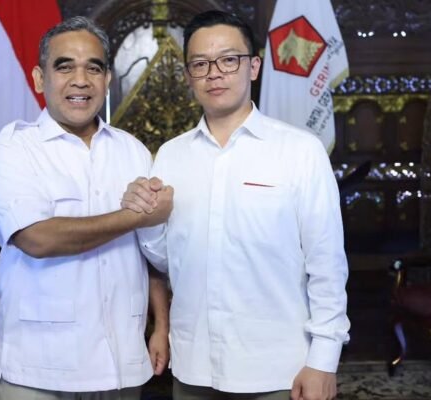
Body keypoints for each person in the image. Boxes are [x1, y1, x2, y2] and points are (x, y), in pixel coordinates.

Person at [123, 10, 350, 400]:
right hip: (194, 364)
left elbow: (327, 263)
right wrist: (142, 215)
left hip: (279, 368)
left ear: (254, 67)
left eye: (229, 60)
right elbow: (167, 260)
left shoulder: (300, 151)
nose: (214, 73)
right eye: (200, 64)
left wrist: (324, 360)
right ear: (188, 75)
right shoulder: (171, 156)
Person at [0, 16, 173, 400]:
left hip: (121, 358)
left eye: (94, 68)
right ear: (40, 79)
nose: (81, 80)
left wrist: (162, 326)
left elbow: (151, 253)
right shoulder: (15, 147)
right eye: (65, 67)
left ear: (107, 80)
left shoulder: (133, 150)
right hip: (40, 362)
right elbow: (37, 238)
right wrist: (133, 216)